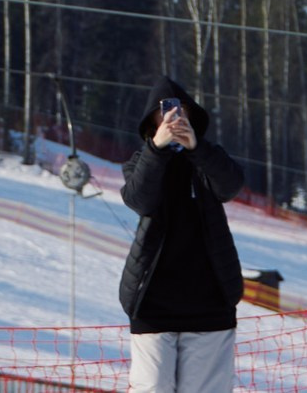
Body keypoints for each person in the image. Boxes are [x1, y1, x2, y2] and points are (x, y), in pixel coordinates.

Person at [119, 76, 246, 393]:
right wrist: (157, 149)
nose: (173, 119)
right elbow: (139, 199)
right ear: (152, 120)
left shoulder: (208, 158)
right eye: (164, 113)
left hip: (210, 305)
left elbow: (230, 186)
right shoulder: (141, 161)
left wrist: (197, 148)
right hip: (152, 305)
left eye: (179, 112)